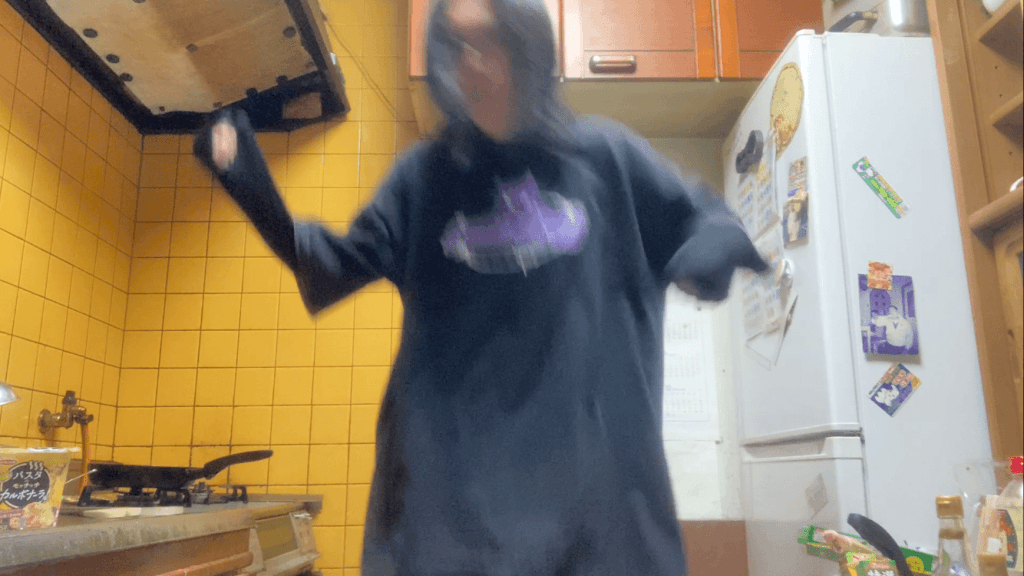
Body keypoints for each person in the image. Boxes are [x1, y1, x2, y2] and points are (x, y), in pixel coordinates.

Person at [192, 0, 767, 573]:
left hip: (596, 524)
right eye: (457, 46)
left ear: (528, 44)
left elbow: (706, 220)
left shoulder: (608, 159)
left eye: (491, 40)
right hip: (450, 523)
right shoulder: (423, 177)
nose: (471, 64)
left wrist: (707, 252)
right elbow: (332, 265)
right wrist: (249, 183)